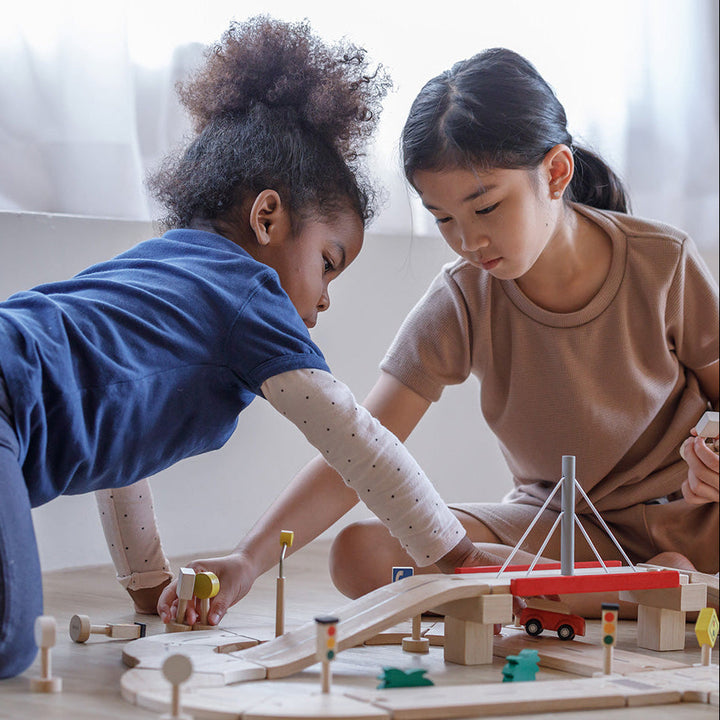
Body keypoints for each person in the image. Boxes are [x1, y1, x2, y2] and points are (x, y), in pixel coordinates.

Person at [154, 46, 717, 627]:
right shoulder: (462, 297)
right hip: (552, 529)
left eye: (487, 207)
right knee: (360, 554)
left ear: (555, 173)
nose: (469, 241)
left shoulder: (662, 260)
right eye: (444, 218)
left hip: (692, 520)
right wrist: (248, 560)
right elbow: (359, 450)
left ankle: (631, 588)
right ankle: (641, 592)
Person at [0, 17, 484, 680]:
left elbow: (115, 451)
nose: (323, 301)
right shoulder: (247, 293)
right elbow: (355, 441)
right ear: (267, 218)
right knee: (9, 641)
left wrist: (147, 586)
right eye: (328, 263)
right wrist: (456, 559)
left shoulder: (152, 271)